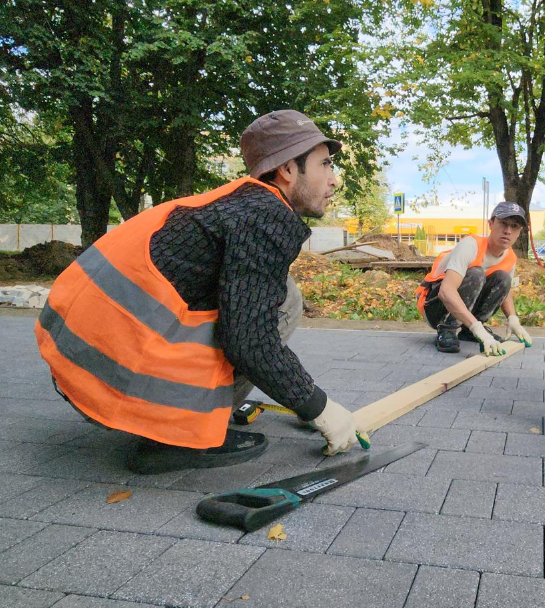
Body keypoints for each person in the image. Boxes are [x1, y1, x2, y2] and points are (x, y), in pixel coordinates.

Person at [35, 110, 361, 473]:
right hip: (106, 380)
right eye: (324, 164)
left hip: (77, 363)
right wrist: (317, 407)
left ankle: (181, 414)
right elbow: (249, 340)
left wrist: (292, 391)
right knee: (282, 306)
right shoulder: (264, 216)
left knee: (282, 292)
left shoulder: (237, 203)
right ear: (287, 169)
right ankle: (178, 438)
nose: (334, 180)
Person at [415, 202, 533, 355]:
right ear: (491, 224)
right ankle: (447, 329)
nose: (508, 231)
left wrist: (512, 318)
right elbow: (446, 291)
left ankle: (469, 332)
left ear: (520, 232)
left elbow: (506, 290)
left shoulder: (510, 257)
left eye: (514, 226)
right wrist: (477, 328)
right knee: (476, 274)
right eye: (503, 223)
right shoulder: (471, 246)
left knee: (503, 278)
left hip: (463, 306)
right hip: (434, 306)